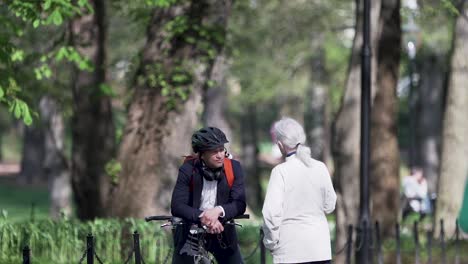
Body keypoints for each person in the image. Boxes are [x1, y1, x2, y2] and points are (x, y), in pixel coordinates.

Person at [262, 117, 337, 264]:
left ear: (280, 144)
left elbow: (271, 214)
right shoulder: (320, 167)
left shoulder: (280, 171)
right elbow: (330, 206)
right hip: (319, 249)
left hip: (290, 251)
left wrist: (270, 242)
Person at [171, 127, 247, 264]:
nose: (220, 155)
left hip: (223, 234)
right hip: (190, 234)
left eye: (221, 149)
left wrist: (218, 211)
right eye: (214, 151)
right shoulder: (188, 169)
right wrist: (204, 217)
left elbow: (240, 203)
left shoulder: (234, 168)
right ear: (201, 154)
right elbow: (177, 205)